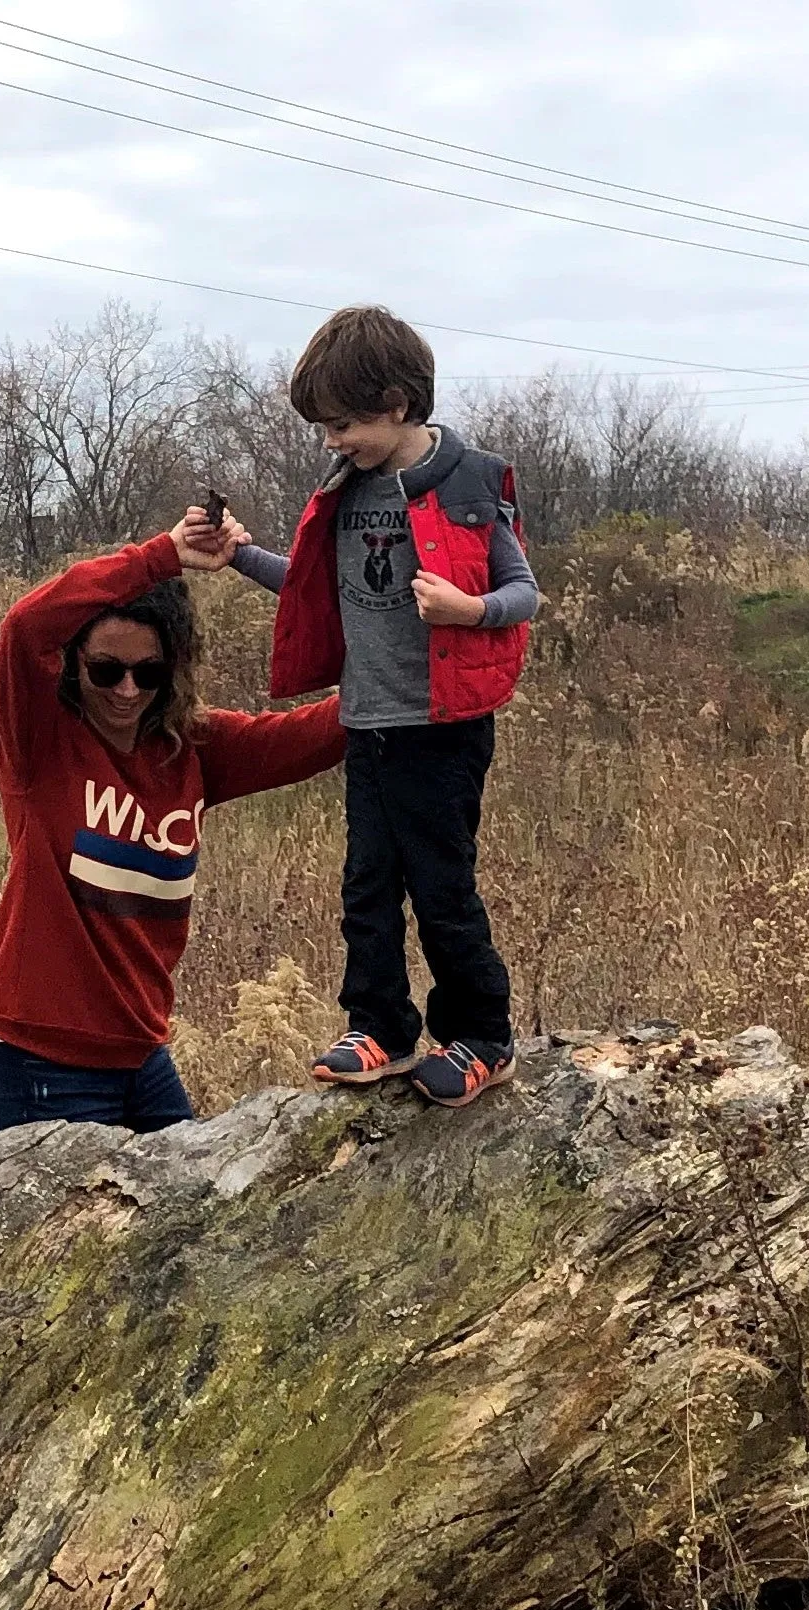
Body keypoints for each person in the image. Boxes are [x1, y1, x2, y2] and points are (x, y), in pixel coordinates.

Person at [222, 305, 540, 1109]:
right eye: (324, 427)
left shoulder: (473, 480)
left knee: (441, 886)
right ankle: (382, 1028)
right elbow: (309, 580)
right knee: (366, 884)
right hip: (366, 722)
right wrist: (237, 554)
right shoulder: (345, 488)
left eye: (344, 423)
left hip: (444, 728)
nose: (332, 440)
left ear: (397, 403)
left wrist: (471, 612)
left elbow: (522, 592)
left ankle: (481, 1037)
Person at [0, 512, 343, 1133]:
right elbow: (24, 626)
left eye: (148, 673)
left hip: (141, 1049)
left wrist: (400, 663)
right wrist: (160, 557)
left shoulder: (191, 747)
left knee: (183, 1223)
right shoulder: (40, 740)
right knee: (76, 1232)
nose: (126, 690)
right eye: (105, 670)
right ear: (72, 665)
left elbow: (323, 733)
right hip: (41, 1054)